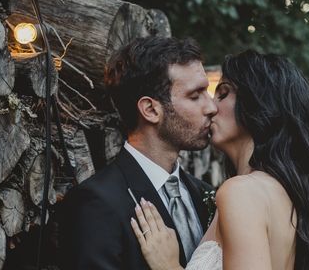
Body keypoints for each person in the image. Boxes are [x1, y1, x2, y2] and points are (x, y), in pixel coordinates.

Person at [131, 49, 309, 270]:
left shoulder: (241, 192)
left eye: (223, 94)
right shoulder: (280, 193)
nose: (210, 107)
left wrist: (168, 266)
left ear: (259, 104)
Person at [58, 36, 218, 269]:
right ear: (151, 109)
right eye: (195, 96)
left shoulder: (204, 194)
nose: (211, 107)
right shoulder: (97, 203)